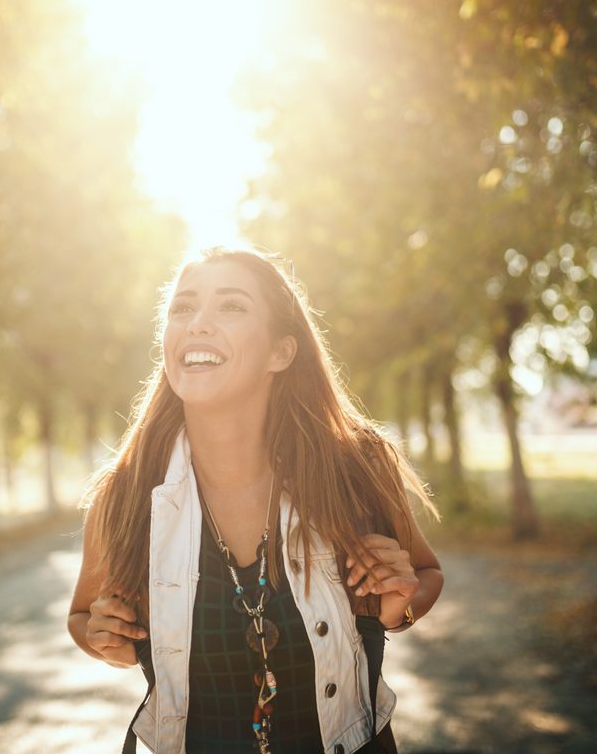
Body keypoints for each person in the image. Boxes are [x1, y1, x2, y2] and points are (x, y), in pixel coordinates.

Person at [67, 246, 444, 753]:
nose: (198, 323)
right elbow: (82, 617)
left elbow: (426, 573)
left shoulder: (357, 468)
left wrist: (399, 608)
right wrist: (104, 642)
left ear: (281, 352)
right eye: (183, 307)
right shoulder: (127, 494)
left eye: (231, 306)